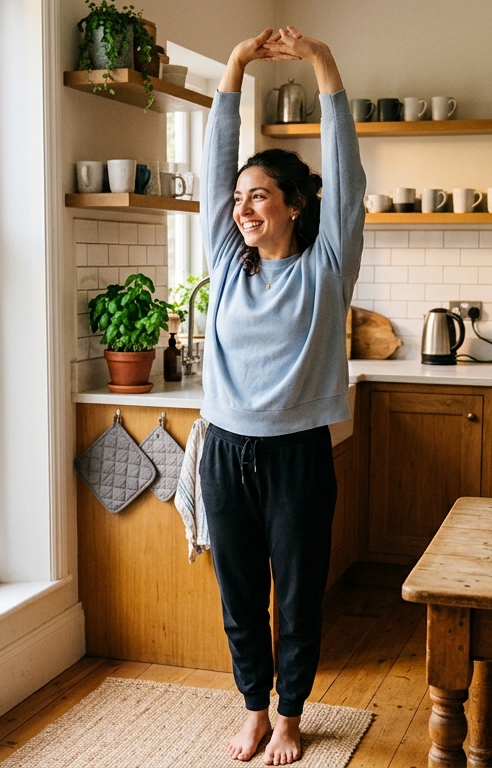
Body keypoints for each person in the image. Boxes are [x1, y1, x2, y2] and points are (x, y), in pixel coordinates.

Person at [199, 26, 364, 766]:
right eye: (239, 198)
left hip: (297, 451)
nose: (242, 208)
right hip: (223, 448)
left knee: (296, 596)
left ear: (296, 205)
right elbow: (211, 170)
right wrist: (233, 67)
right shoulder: (227, 263)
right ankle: (253, 710)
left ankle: (292, 715)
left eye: (259, 196)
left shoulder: (327, 266)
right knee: (240, 595)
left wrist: (323, 65)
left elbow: (347, 174)